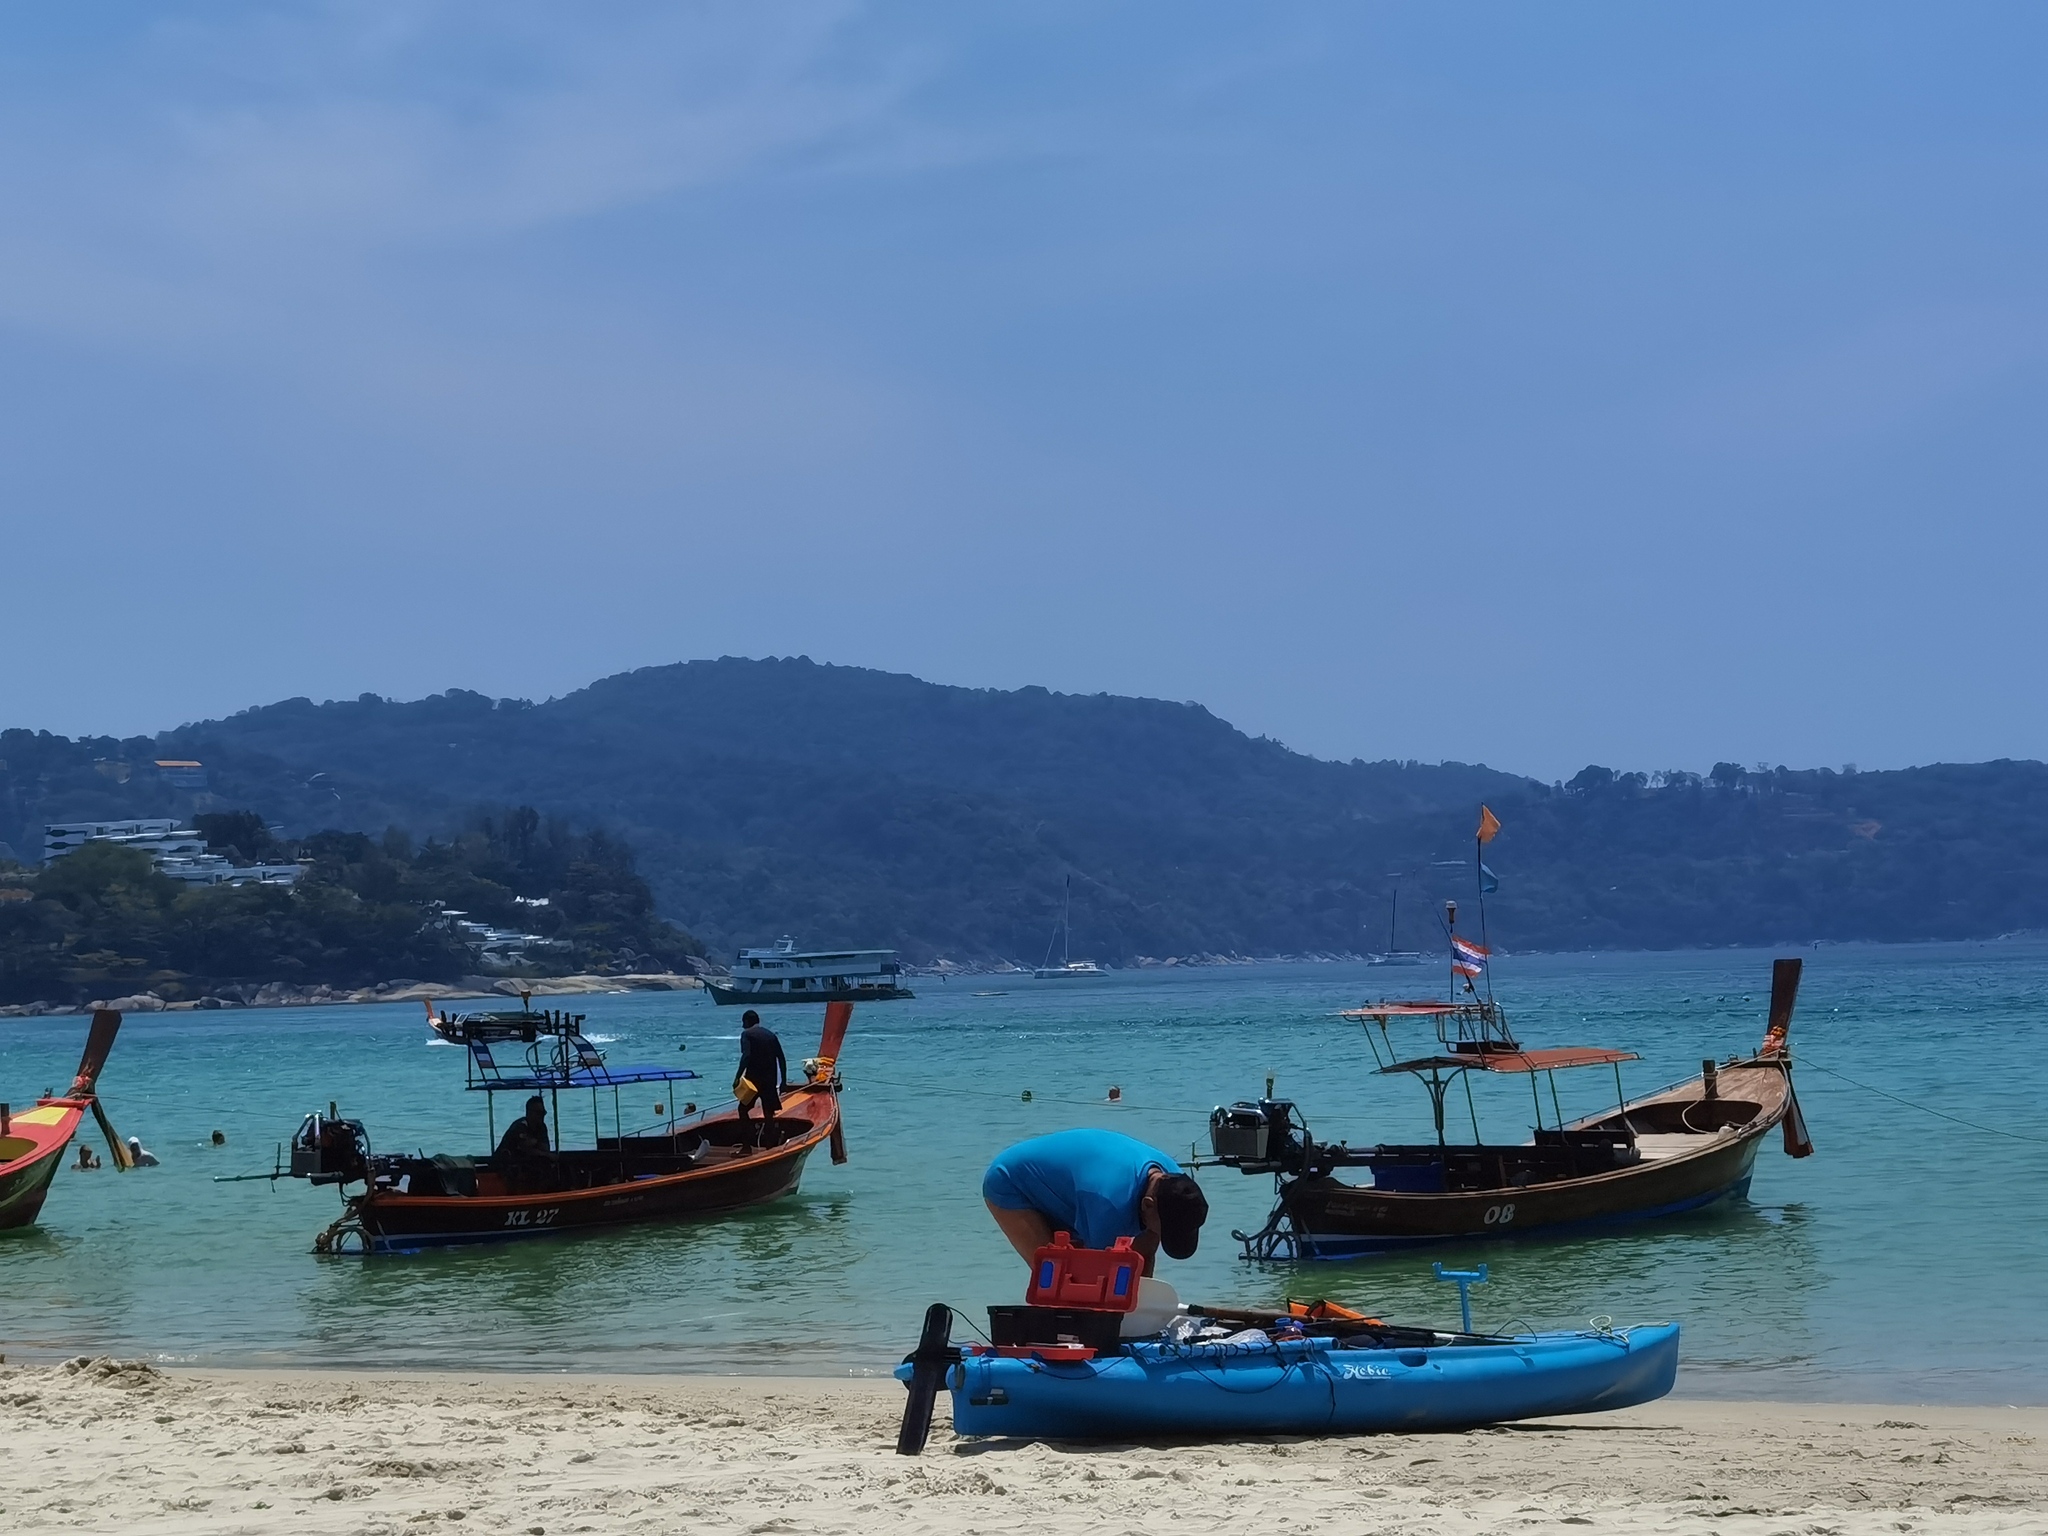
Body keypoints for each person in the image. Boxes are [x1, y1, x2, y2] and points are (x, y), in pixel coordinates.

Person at [983, 1129, 1209, 1276]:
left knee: (1135, 1262)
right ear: (1148, 1205)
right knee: (1056, 1274)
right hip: (1012, 1181)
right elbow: (1094, 1276)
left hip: (1076, 1187)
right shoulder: (1109, 1204)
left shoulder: (1175, 1180)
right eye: (1165, 1230)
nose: (1164, 1236)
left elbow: (1144, 1256)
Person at [735, 1009, 788, 1151]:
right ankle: (770, 1147)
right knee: (768, 1114)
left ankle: (747, 1146)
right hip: (770, 1081)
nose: (742, 1025)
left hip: (753, 1081)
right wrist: (783, 1081)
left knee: (742, 1110)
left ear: (747, 1021)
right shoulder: (771, 1035)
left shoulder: (746, 1034)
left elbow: (746, 1056)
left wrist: (737, 1076)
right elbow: (781, 1058)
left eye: (743, 1022)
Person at [494, 1095, 557, 1191]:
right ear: (529, 1113)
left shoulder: (541, 1127)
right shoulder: (520, 1126)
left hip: (526, 1161)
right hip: (507, 1162)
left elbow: (545, 1147)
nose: (542, 1116)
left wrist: (535, 1144)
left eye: (543, 1113)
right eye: (538, 1113)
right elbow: (526, 1148)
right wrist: (545, 1152)